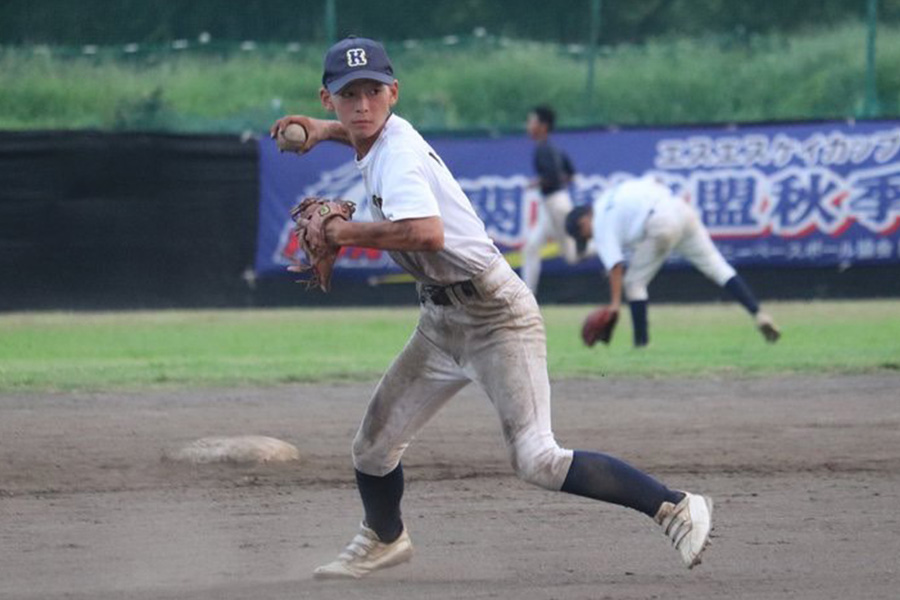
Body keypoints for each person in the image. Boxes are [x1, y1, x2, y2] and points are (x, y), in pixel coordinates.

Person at [271, 36, 714, 581]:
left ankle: (673, 505)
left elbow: (427, 235)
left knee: (537, 459)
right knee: (372, 446)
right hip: (441, 322)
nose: (362, 104)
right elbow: (361, 133)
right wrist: (324, 134)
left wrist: (342, 232)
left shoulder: (400, 155)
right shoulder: (379, 134)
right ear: (326, 99)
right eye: (348, 95)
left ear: (394, 93)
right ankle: (383, 538)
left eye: (373, 91)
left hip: (495, 317)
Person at [565, 176, 781, 347]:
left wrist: (614, 305)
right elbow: (656, 181)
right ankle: (759, 314)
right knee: (717, 266)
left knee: (633, 284)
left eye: (584, 234)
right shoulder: (610, 195)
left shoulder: (600, 223)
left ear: (584, 220)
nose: (588, 237)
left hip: (660, 223)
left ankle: (642, 345)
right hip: (679, 209)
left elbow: (615, 266)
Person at [521, 105, 581, 295]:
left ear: (543, 126)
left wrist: (537, 182)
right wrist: (544, 181)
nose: (528, 126)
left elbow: (554, 176)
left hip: (557, 205)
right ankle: (526, 296)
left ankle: (607, 245)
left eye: (532, 122)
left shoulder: (544, 149)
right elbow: (570, 174)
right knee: (531, 247)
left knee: (573, 255)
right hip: (549, 205)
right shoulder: (552, 148)